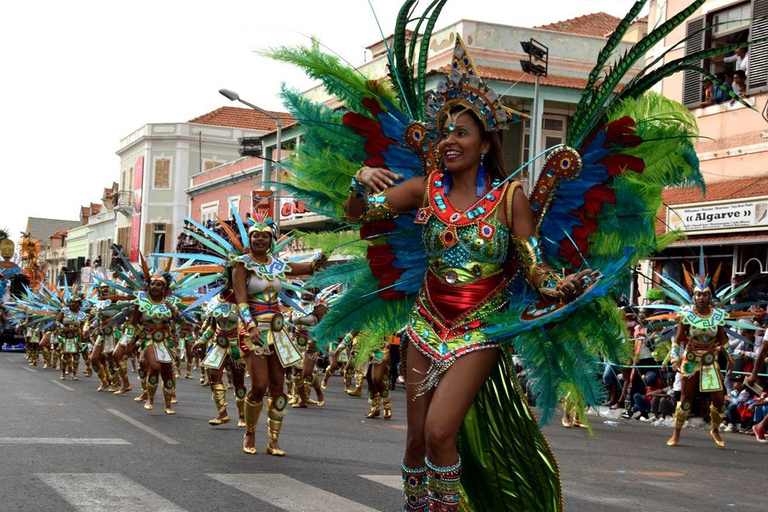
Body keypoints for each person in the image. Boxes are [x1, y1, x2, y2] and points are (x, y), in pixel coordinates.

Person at [231, 212, 326, 456]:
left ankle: (273, 440)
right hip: (254, 330)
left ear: (272, 239)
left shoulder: (278, 264)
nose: (260, 239)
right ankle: (250, 432)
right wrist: (250, 327)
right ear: (250, 239)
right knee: (259, 385)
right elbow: (241, 301)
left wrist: (325, 254)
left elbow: (308, 267)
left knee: (278, 387)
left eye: (265, 236)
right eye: (256, 236)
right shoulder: (241, 265)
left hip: (277, 329)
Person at [666, 281, 732, 447]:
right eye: (698, 294)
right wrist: (674, 358)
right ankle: (676, 433)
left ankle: (715, 429)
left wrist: (731, 356)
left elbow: (723, 339)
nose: (701, 297)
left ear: (710, 296)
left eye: (705, 294)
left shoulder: (717, 315)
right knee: (686, 399)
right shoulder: (687, 314)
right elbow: (678, 339)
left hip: (710, 360)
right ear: (694, 296)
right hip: (691, 358)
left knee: (719, 400)